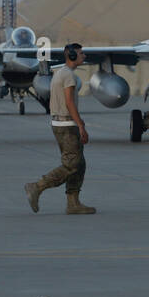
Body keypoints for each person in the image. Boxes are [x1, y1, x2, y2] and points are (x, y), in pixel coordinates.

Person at [25, 43, 96, 215]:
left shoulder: (61, 73)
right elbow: (69, 102)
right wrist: (81, 125)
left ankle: (73, 203)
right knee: (71, 165)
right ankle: (37, 186)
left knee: (79, 164)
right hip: (67, 126)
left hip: (59, 124)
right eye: (81, 53)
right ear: (71, 56)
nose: (84, 56)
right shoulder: (69, 77)